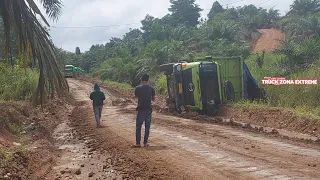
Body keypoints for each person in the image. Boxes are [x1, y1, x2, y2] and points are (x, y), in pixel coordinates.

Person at [134, 74, 155, 147]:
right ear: (148, 80)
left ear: (141, 80)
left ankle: (138, 143)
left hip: (140, 109)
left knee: (138, 127)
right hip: (148, 109)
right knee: (147, 127)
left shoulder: (137, 88)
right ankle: (145, 143)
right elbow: (153, 99)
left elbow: (136, 97)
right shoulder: (151, 88)